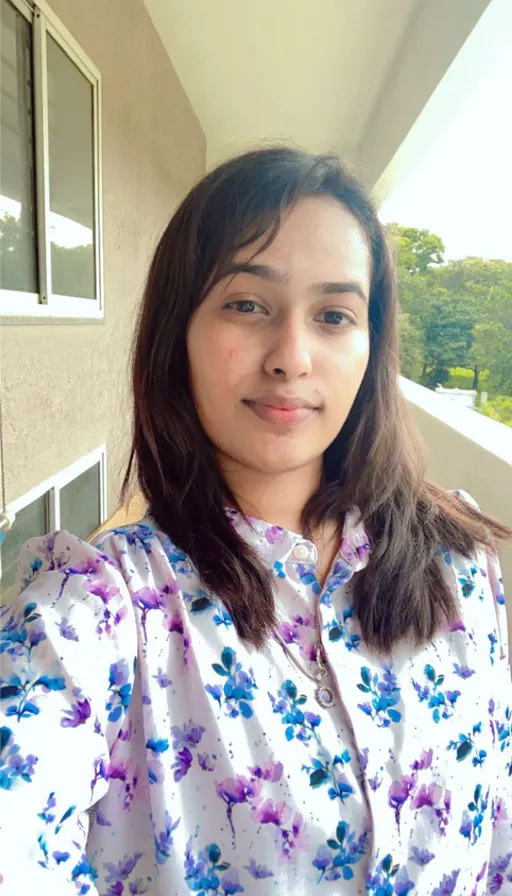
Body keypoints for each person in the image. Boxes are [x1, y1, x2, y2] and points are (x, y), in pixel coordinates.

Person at [1, 148, 511, 896]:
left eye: (334, 315)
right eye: (247, 304)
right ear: (181, 331)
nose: (292, 357)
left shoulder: (458, 563)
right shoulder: (100, 608)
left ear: (371, 347)